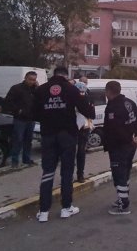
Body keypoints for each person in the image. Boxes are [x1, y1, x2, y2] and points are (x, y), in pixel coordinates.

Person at [32, 66, 95, 222]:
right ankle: (66, 208)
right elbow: (88, 111)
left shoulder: (41, 90)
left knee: (48, 171)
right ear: (66, 76)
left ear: (53, 75)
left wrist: (48, 117)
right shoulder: (71, 89)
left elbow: (33, 113)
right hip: (67, 135)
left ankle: (44, 211)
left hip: (48, 134)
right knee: (67, 172)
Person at [102, 80, 137, 215]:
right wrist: (136, 135)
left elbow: (113, 128)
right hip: (131, 144)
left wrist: (108, 143)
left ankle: (123, 204)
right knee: (125, 171)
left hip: (119, 145)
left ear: (108, 92)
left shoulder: (113, 106)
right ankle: (122, 197)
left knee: (119, 173)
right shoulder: (129, 102)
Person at [3, 71, 38, 168]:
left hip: (31, 118)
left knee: (28, 140)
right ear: (25, 78)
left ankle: (26, 159)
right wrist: (18, 110)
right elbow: (8, 102)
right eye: (30, 79)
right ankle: (15, 161)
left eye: (34, 80)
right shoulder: (16, 88)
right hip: (20, 119)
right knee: (18, 139)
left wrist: (37, 88)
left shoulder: (35, 90)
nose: (32, 82)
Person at [73, 74, 91, 183]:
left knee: (81, 151)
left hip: (84, 127)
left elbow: (91, 112)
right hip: (72, 127)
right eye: (82, 82)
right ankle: (69, 175)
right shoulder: (71, 97)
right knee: (70, 151)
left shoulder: (88, 95)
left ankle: (80, 174)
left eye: (85, 83)